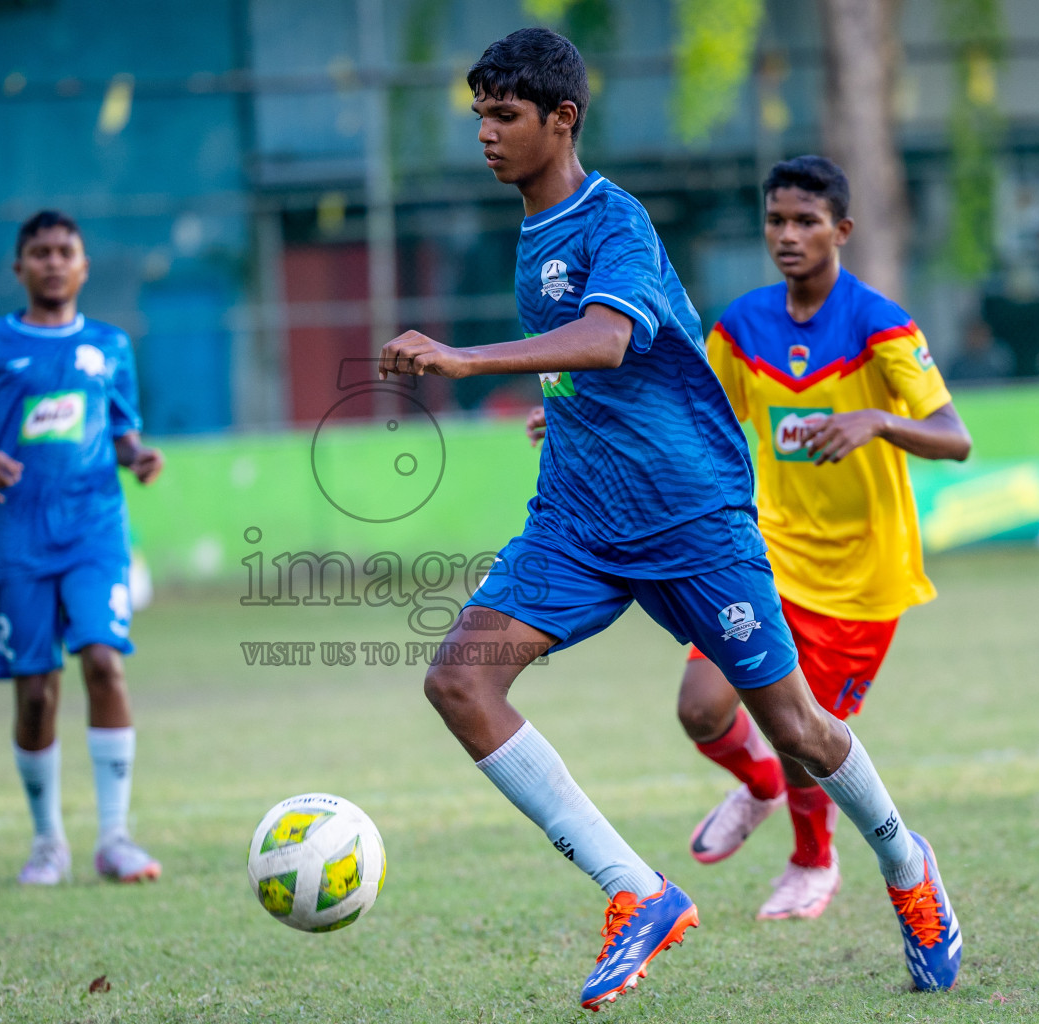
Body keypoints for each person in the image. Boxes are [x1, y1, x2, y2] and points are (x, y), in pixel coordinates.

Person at [377, 30, 961, 1009]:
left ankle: (907, 867)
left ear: (561, 119)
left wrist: (466, 361)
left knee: (800, 730)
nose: (484, 132)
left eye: (503, 115)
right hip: (578, 515)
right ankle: (637, 893)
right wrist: (557, 396)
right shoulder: (530, 232)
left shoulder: (617, 222)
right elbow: (599, 361)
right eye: (478, 113)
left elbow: (610, 338)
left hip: (692, 516)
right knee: (461, 682)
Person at [529, 155, 973, 923]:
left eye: (806, 221)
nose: (788, 235)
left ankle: (814, 860)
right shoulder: (742, 327)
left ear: (843, 230)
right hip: (764, 553)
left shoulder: (882, 325)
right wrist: (581, 416)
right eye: (776, 220)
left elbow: (953, 436)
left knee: (809, 737)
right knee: (702, 709)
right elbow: (691, 411)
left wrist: (877, 422)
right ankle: (760, 785)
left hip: (861, 573)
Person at [0, 210, 166, 886]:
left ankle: (116, 838)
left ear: (84, 265)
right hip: (18, 540)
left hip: (94, 530)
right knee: (36, 694)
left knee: (104, 661)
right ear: (19, 268)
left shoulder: (110, 346)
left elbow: (122, 430)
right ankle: (47, 843)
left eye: (66, 251)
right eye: (39, 252)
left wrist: (138, 456)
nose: (53, 262)